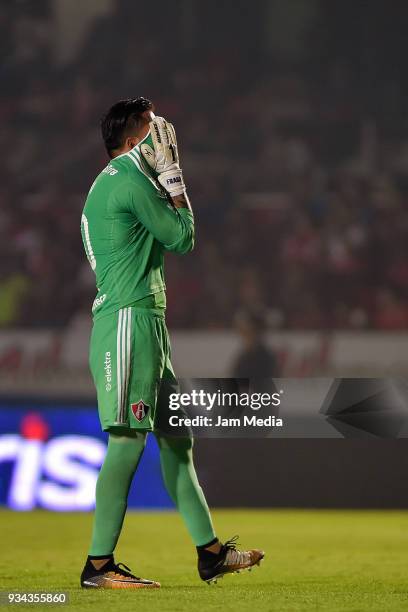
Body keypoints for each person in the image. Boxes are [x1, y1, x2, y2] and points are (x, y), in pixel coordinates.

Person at [79, 97, 264, 588]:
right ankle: (98, 566)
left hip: (144, 323)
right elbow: (182, 237)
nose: (162, 133)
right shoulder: (128, 180)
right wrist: (176, 183)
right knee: (126, 439)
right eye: (151, 126)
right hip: (128, 323)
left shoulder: (113, 183)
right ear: (135, 139)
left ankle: (210, 554)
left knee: (177, 445)